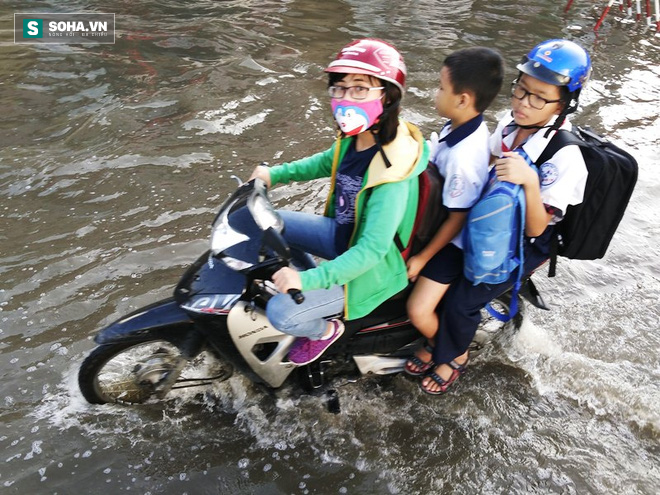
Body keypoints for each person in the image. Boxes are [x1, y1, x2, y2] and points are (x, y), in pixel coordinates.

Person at [419, 39, 591, 395]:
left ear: (565, 103)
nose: (524, 104)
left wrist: (529, 182)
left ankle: (454, 356)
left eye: (539, 98)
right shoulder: (510, 128)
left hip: (523, 240)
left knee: (461, 301)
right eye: (521, 91)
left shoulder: (565, 155)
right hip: (488, 223)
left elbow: (536, 226)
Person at [249, 38, 429, 366]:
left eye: (360, 89)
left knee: (281, 313)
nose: (346, 98)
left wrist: (307, 280)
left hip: (370, 271)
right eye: (340, 88)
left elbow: (372, 251)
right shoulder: (356, 137)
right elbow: (324, 162)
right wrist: (272, 174)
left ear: (387, 97)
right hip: (344, 236)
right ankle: (310, 282)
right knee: (270, 222)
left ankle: (324, 331)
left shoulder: (393, 171)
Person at [403, 47, 504, 377]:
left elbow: (457, 218)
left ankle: (452, 352)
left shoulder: (463, 158)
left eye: (440, 87)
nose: (436, 92)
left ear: (462, 99)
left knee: (418, 309)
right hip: (440, 221)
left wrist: (422, 258)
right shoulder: (463, 124)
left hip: (453, 244)